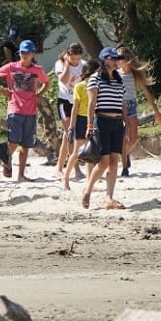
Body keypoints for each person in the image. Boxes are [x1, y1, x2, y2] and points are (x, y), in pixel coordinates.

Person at [0, 39, 49, 182]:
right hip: (15, 108)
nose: (24, 55)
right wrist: (0, 88)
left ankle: (21, 175)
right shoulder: (11, 67)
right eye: (22, 52)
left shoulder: (38, 70)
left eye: (27, 52)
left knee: (26, 144)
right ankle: (6, 160)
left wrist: (39, 94)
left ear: (33, 53)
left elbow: (46, 82)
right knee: (14, 141)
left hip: (31, 111)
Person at [80, 47, 127, 209]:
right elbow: (91, 103)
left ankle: (109, 198)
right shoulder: (95, 78)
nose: (115, 61)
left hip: (117, 123)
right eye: (112, 58)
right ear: (104, 60)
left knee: (114, 161)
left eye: (116, 58)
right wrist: (89, 125)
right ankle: (88, 190)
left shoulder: (119, 79)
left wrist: (126, 124)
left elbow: (122, 103)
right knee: (103, 161)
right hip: (102, 122)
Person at [116, 45, 161, 177]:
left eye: (120, 58)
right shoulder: (116, 74)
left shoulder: (135, 75)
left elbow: (147, 93)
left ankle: (124, 153)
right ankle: (125, 168)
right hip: (119, 107)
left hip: (131, 106)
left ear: (127, 59)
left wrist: (156, 110)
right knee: (123, 138)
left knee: (133, 138)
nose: (118, 60)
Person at [61, 60, 100, 191]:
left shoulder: (98, 85)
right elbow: (75, 107)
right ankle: (65, 177)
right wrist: (71, 126)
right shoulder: (80, 86)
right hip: (82, 119)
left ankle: (89, 182)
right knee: (77, 152)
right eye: (98, 71)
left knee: (91, 151)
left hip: (94, 119)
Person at [54, 43, 85, 179]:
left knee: (69, 137)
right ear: (67, 55)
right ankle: (75, 168)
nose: (75, 62)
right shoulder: (60, 64)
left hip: (77, 102)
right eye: (73, 59)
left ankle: (59, 167)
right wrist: (67, 64)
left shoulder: (84, 65)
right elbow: (63, 79)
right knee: (69, 133)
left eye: (78, 59)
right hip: (64, 101)